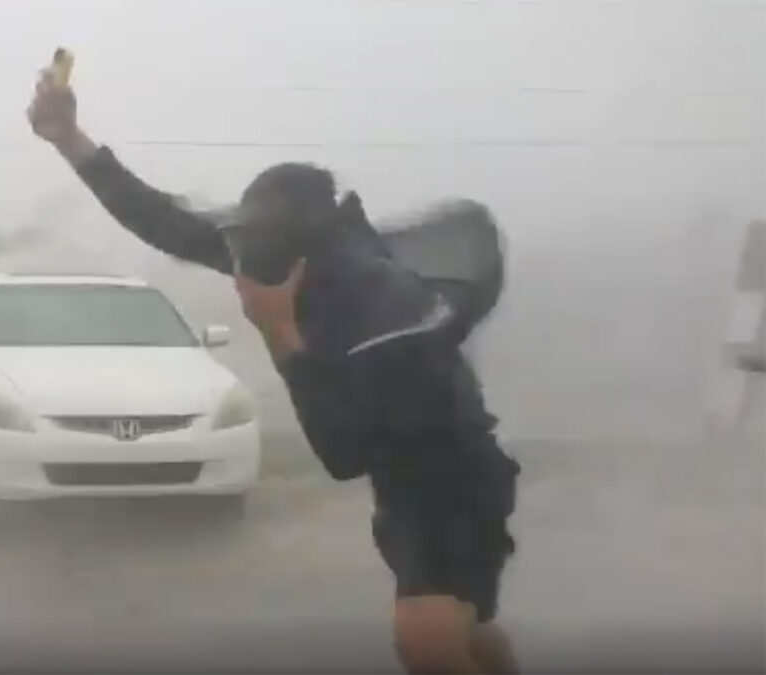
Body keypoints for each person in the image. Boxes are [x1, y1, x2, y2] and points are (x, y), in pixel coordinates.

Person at [27, 68, 522, 675]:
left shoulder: (378, 305)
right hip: (404, 479)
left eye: (257, 242)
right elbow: (164, 221)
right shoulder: (274, 252)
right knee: (466, 628)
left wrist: (278, 332)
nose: (242, 257)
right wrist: (69, 138)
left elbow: (342, 453)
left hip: (451, 477)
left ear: (306, 244)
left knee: (425, 640)